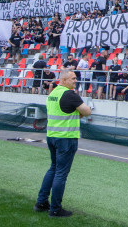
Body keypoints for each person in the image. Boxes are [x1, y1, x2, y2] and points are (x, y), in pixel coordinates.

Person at [34, 70, 91, 217]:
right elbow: (87, 111)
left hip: (52, 136)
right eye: (73, 78)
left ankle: (41, 202)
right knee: (61, 173)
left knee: (53, 168)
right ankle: (55, 208)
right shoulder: (70, 94)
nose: (75, 81)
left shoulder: (53, 93)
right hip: (66, 137)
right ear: (64, 80)